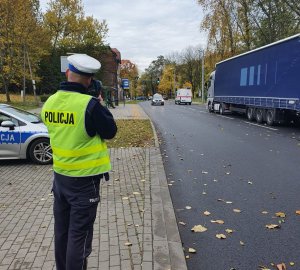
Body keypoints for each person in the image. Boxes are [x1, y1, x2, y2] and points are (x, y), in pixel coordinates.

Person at [41, 54, 117, 270]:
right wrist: (101, 104)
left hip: (60, 179)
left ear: (67, 73)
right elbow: (110, 131)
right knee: (79, 237)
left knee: (62, 232)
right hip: (85, 183)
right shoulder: (90, 105)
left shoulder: (50, 102)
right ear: (90, 81)